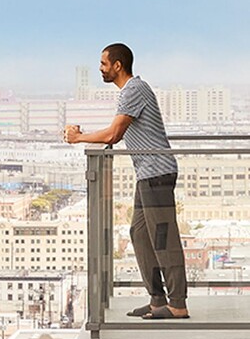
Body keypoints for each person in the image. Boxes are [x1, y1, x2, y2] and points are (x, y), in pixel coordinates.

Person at [64, 43, 189, 319]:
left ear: (117, 65)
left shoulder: (133, 90)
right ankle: (158, 300)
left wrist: (78, 138)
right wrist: (84, 134)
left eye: (103, 64)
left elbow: (113, 135)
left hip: (157, 173)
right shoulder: (130, 92)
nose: (100, 68)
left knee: (163, 238)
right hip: (147, 173)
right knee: (139, 234)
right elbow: (115, 131)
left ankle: (177, 304)